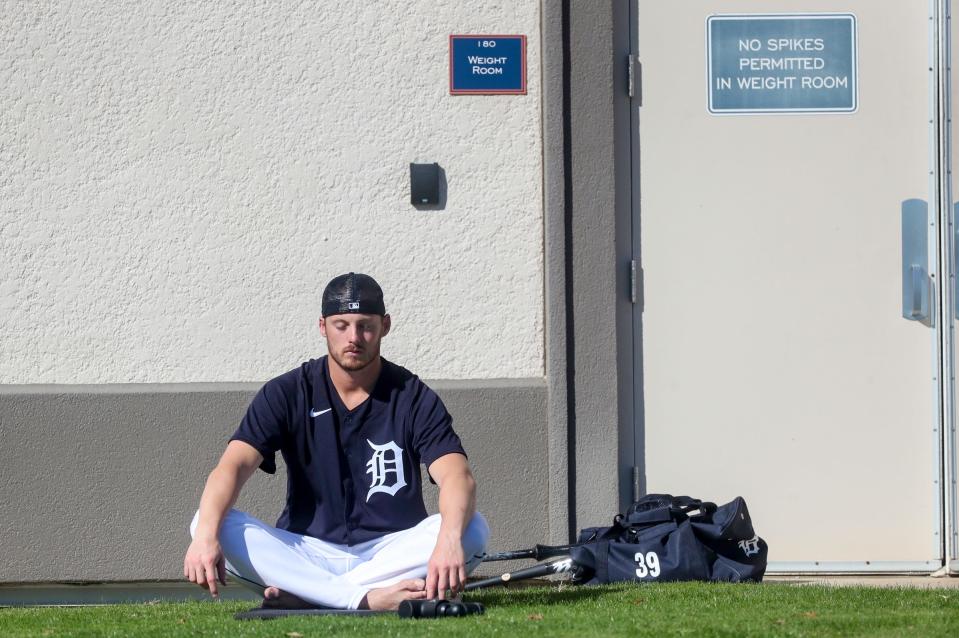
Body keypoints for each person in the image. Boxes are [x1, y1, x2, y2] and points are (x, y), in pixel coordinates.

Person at [183, 272, 489, 610]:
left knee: (472, 528)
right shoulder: (288, 391)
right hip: (308, 552)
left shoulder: (411, 395)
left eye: (365, 325)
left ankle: (312, 596)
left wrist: (447, 540)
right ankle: (363, 599)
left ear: (385, 326)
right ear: (322, 326)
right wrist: (206, 537)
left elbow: (457, 476)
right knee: (207, 522)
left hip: (390, 552)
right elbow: (233, 466)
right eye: (341, 325)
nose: (354, 337)